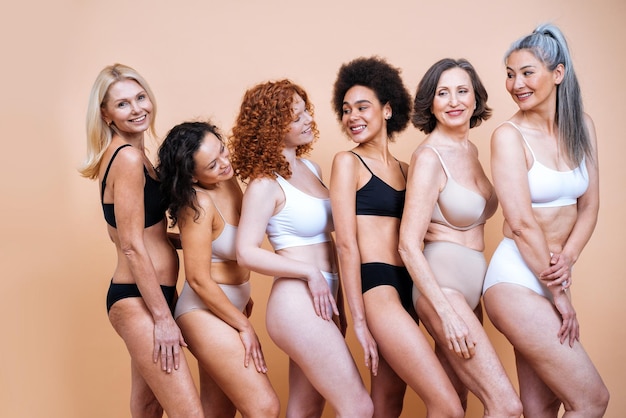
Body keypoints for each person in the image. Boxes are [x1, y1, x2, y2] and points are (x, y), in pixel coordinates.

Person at [482, 24, 609, 416]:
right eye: (509, 73)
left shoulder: (581, 127)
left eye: (526, 72)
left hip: (553, 276)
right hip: (517, 279)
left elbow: (589, 206)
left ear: (558, 74)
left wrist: (567, 259)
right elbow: (520, 222)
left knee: (541, 407)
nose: (515, 83)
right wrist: (558, 293)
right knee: (591, 400)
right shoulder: (508, 136)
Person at [230, 79, 374, 418]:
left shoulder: (312, 168)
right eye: (295, 117)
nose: (308, 119)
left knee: (305, 410)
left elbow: (334, 243)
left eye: (305, 110)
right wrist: (309, 272)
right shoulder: (265, 184)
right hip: (296, 303)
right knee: (358, 407)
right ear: (272, 127)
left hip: (324, 296)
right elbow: (246, 252)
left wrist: (336, 298)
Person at [329, 56, 464, 418]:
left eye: (362, 107)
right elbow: (344, 243)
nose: (352, 116)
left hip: (410, 285)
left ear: (388, 110)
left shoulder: (408, 169)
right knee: (448, 405)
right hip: (377, 287)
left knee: (388, 404)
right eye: (345, 110)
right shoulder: (347, 163)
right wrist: (357, 318)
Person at [397, 58, 522, 416]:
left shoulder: (471, 150)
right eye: (443, 93)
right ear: (430, 103)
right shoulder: (429, 158)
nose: (454, 101)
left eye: (462, 91)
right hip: (443, 291)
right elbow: (407, 244)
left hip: (471, 292)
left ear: (475, 97)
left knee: (453, 405)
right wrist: (445, 312)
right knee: (506, 406)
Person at [78, 64, 203, 417]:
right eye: (122, 104)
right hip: (138, 300)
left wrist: (195, 242)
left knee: (147, 407)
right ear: (105, 114)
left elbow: (135, 233)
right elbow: (131, 245)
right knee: (189, 413)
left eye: (140, 97)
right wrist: (163, 319)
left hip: (154, 295)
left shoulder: (139, 157)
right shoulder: (128, 159)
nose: (136, 109)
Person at [156, 121, 280, 418]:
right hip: (203, 311)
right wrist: (243, 324)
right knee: (264, 408)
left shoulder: (228, 178)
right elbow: (198, 279)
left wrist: (240, 297)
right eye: (212, 165)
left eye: (223, 150)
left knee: (218, 412)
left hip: (229, 304)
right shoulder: (197, 203)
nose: (225, 163)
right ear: (192, 176)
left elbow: (223, 246)